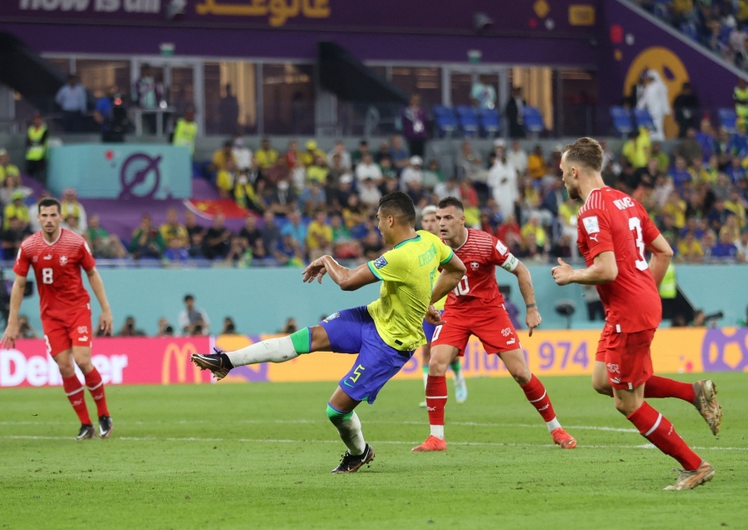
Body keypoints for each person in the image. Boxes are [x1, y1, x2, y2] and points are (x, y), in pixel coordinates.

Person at [192, 192, 466, 473]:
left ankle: (359, 452)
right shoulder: (430, 241)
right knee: (302, 339)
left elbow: (346, 282)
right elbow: (457, 269)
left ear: (391, 219)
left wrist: (326, 259)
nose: (378, 227)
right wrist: (428, 302)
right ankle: (227, 361)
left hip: (389, 345)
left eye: (379, 221)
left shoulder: (399, 257)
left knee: (336, 411)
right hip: (371, 317)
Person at [551, 137, 719, 491]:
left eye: (563, 173)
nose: (562, 179)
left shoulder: (591, 211)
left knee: (627, 403)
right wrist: (644, 293)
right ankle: (694, 392)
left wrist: (572, 275)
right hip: (633, 306)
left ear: (575, 171)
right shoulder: (626, 201)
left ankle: (695, 466)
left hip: (628, 311)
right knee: (602, 381)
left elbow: (607, 270)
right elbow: (665, 252)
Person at [413, 197, 576, 453]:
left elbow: (521, 270)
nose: (440, 223)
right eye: (438, 218)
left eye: (447, 218)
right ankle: (436, 438)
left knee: (521, 373)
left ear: (462, 220)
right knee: (435, 362)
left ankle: (556, 428)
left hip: (490, 312)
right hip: (455, 311)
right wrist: (427, 305)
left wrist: (532, 309)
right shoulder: (434, 247)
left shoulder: (486, 243)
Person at [2, 197, 115, 439]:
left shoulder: (75, 243)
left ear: (60, 217)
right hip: (51, 316)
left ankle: (104, 414)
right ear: (38, 218)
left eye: (54, 215)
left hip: (77, 310)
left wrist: (105, 308)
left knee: (83, 361)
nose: (49, 220)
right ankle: (86, 424)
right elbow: (19, 285)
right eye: (45, 216)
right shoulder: (29, 247)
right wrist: (12, 322)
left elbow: (92, 274)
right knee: (65, 367)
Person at [416, 206, 467, 407]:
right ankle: (429, 394)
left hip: (448, 305)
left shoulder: (446, 245)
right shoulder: (417, 246)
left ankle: (458, 377)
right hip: (426, 305)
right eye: (426, 221)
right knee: (427, 350)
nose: (429, 224)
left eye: (433, 220)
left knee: (446, 351)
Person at [25, 114, 48, 179]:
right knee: (30, 176)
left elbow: (42, 142)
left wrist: (33, 141)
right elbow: (28, 142)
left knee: (40, 176)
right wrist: (36, 141)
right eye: (35, 119)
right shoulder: (30, 129)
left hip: (40, 156)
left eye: (38, 119)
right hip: (30, 156)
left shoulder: (44, 129)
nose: (36, 121)